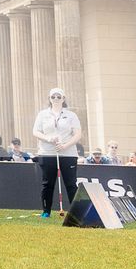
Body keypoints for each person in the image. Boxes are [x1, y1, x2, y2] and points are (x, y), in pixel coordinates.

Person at [31, 87, 82, 217]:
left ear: (63, 99)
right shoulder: (42, 114)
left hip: (68, 154)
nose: (56, 99)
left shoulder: (71, 115)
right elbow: (36, 132)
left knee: (71, 184)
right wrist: (48, 138)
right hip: (47, 153)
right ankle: (46, 211)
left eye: (59, 96)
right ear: (49, 99)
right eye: (53, 97)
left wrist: (65, 145)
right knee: (47, 183)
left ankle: (77, 213)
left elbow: (77, 134)